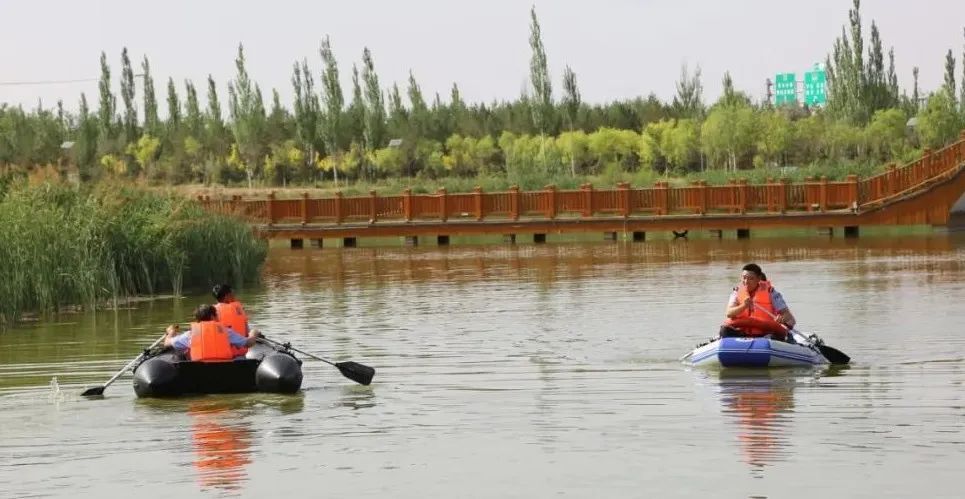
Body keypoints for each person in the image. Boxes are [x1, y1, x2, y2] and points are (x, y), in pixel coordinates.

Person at [720, 263, 796, 339]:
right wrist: (744, 306)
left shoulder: (771, 292)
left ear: (758, 279)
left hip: (766, 332)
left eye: (751, 278)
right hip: (742, 332)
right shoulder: (736, 292)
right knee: (724, 330)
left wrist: (781, 318)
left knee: (772, 337)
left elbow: (787, 315)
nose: (746, 281)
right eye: (744, 278)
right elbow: (729, 313)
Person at [165, 304, 259, 361]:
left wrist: (171, 332)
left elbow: (167, 343)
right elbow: (248, 343)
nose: (218, 318)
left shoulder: (191, 334)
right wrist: (253, 334)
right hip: (224, 368)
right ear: (212, 317)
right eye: (217, 315)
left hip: (199, 369)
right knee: (240, 358)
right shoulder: (226, 331)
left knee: (181, 354)